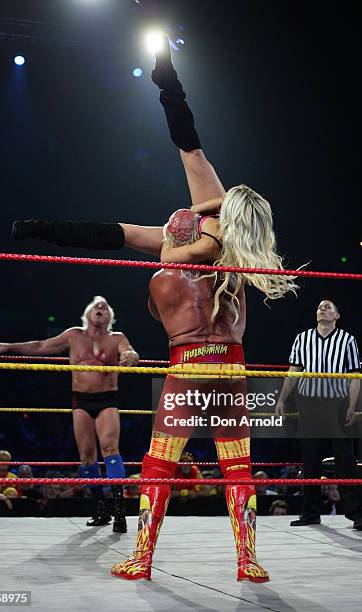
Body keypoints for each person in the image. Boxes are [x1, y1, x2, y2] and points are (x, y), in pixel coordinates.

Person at [11, 37, 298, 323]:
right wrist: (192, 213)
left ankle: (41, 229)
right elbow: (227, 200)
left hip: (187, 242)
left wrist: (178, 228)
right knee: (192, 154)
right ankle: (167, 80)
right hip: (199, 223)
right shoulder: (225, 210)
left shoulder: (216, 244)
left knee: (122, 234)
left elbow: (169, 256)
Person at [110, 208, 270, 583]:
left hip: (187, 367)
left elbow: (156, 314)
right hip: (231, 367)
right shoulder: (231, 269)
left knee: (160, 464)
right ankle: (248, 561)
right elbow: (232, 215)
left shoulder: (160, 280)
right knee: (237, 466)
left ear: (171, 239)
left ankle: (141, 559)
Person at [0, 295, 139, 532]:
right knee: (87, 458)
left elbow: (129, 351)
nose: (100, 307)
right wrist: (9, 346)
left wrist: (131, 356)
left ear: (110, 317)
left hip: (107, 400)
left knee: (110, 449)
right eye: (96, 305)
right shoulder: (73, 335)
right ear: (86, 314)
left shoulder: (116, 337)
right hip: (81, 401)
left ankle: (119, 510)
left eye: (105, 307)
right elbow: (41, 346)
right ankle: (101, 508)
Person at [275, 299, 362, 531]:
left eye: (328, 307)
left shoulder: (347, 340)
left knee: (345, 458)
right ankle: (310, 513)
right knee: (310, 459)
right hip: (310, 405)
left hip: (337, 404)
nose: (322, 308)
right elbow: (293, 372)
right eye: (319, 306)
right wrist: (281, 400)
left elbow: (354, 376)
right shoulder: (302, 339)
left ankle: (357, 514)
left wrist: (351, 406)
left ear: (336, 316)